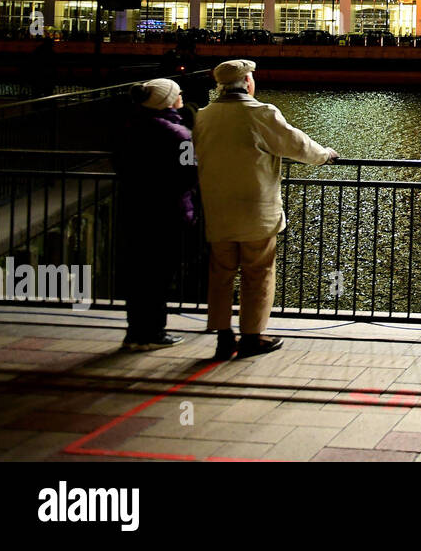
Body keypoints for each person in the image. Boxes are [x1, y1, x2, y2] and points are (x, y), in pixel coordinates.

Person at [192, 59, 338, 361]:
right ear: (248, 83)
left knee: (220, 274)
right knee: (257, 273)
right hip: (255, 210)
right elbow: (297, 145)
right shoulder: (260, 113)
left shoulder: (204, 116)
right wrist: (325, 156)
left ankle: (222, 335)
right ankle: (251, 336)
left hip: (217, 208)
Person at [113, 78, 197, 351]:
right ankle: (153, 333)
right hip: (166, 214)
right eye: (178, 93)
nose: (182, 95)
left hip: (134, 209)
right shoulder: (178, 134)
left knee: (138, 274)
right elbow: (191, 174)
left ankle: (135, 332)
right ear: (169, 100)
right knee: (160, 275)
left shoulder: (128, 126)